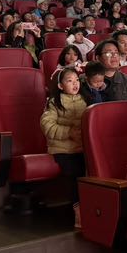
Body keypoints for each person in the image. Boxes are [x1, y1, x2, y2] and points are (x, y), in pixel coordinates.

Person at [40, 67, 87, 227]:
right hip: (62, 149)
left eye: (77, 80)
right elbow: (47, 125)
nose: (75, 84)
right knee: (76, 172)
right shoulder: (54, 102)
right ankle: (79, 212)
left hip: (82, 148)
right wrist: (68, 132)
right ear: (60, 86)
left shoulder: (85, 99)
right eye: (69, 81)